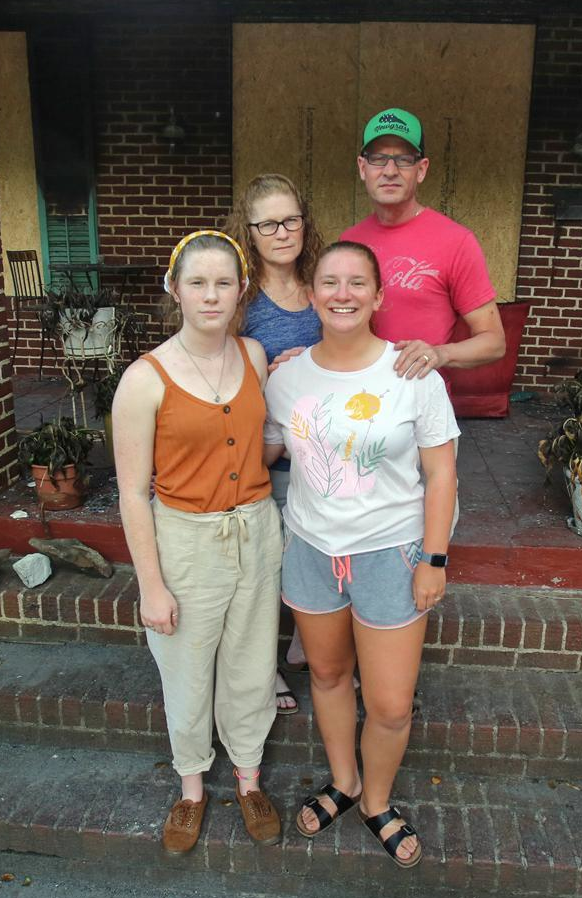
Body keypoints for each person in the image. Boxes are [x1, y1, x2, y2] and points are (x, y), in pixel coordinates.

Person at [263, 240, 459, 868]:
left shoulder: (411, 374)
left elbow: (443, 473)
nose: (341, 293)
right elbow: (267, 452)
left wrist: (434, 558)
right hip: (314, 550)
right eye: (329, 282)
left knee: (391, 703)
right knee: (325, 676)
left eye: (356, 283)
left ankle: (376, 799)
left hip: (390, 555)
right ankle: (344, 780)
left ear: (378, 297)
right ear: (312, 294)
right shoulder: (287, 377)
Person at [111, 230, 284, 856]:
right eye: (197, 282)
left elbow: (263, 440)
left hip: (259, 531)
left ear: (242, 290)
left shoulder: (257, 356)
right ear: (175, 290)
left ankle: (248, 777)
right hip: (186, 539)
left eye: (223, 282)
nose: (211, 295)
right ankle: (191, 788)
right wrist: (151, 587)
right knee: (185, 669)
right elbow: (133, 493)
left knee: (251, 662)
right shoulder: (144, 378)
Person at [224, 173, 325, 716]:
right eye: (268, 224)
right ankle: (266, 675)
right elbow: (218, 373)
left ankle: (307, 645)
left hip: (326, 457)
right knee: (265, 571)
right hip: (268, 456)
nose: (282, 232)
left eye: (291, 220)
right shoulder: (241, 295)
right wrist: (267, 373)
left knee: (317, 560)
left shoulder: (322, 282)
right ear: (250, 231)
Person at [342, 107, 506, 381]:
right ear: (363, 168)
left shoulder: (456, 242)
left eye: (404, 159)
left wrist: (440, 354)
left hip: (420, 407)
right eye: (378, 159)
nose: (390, 171)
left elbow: (494, 342)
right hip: (357, 402)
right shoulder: (349, 241)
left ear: (421, 170)